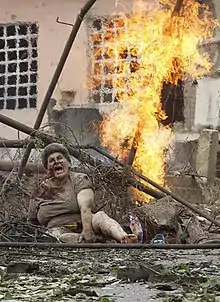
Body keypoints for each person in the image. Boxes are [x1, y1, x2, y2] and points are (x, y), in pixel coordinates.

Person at [27, 143, 138, 244]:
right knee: (57, 237)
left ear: (68, 163)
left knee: (101, 217)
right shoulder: (40, 190)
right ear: (47, 168)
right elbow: (32, 222)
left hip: (86, 222)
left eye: (60, 158)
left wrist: (87, 230)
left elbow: (85, 206)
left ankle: (124, 238)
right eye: (51, 160)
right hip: (57, 230)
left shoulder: (79, 179)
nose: (56, 161)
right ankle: (85, 241)